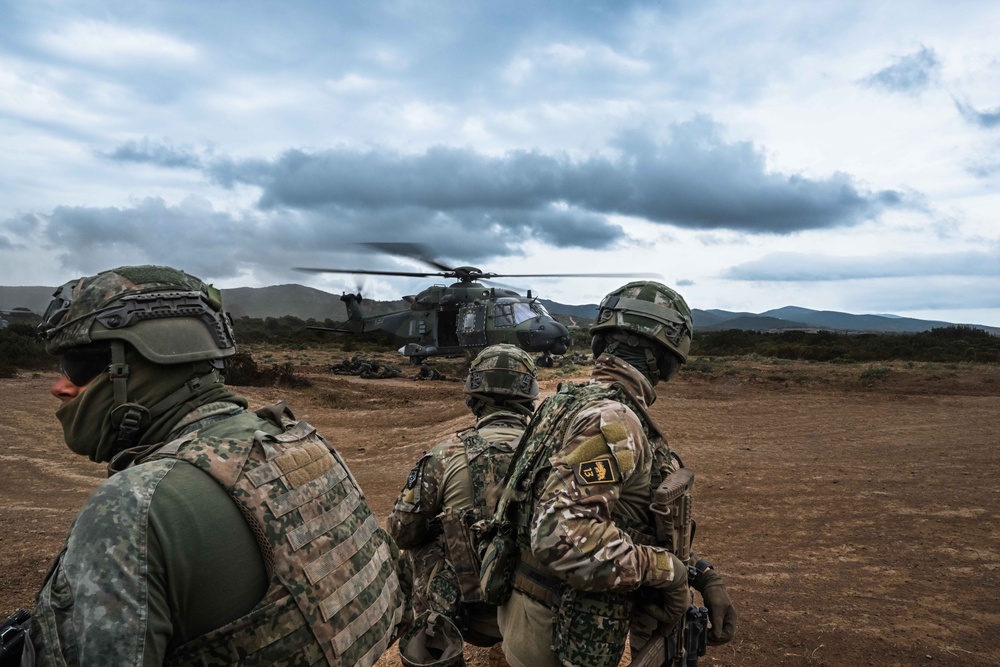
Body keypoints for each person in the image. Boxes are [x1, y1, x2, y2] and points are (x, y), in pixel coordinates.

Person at [26, 265, 410, 667]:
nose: (60, 386)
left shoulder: (134, 506)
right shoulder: (301, 440)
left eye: (78, 364)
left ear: (145, 359)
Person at [491, 281, 737, 667]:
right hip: (558, 633)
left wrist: (702, 575)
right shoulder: (614, 421)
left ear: (601, 341)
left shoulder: (564, 403)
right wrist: (667, 571)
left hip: (535, 615)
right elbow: (560, 535)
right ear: (667, 355)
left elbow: (621, 521)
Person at [388, 344, 539, 664]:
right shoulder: (553, 454)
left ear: (472, 395)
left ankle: (431, 643)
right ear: (529, 397)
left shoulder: (444, 454)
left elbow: (402, 533)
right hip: (533, 611)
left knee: (417, 543)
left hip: (463, 612)